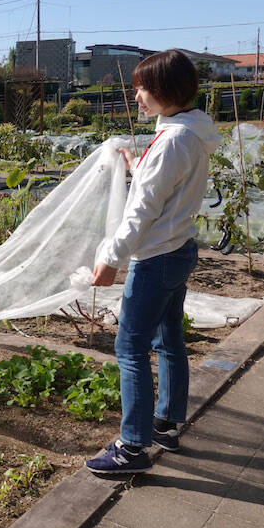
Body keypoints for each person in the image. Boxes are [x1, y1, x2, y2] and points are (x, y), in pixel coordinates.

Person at [85, 49, 221, 475]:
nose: (137, 96)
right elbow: (164, 188)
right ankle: (166, 422)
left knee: (130, 349)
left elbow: (140, 213)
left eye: (143, 88)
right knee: (168, 339)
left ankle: (132, 448)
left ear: (167, 90)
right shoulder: (191, 133)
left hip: (157, 257)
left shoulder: (173, 141)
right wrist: (134, 163)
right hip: (179, 249)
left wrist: (110, 259)